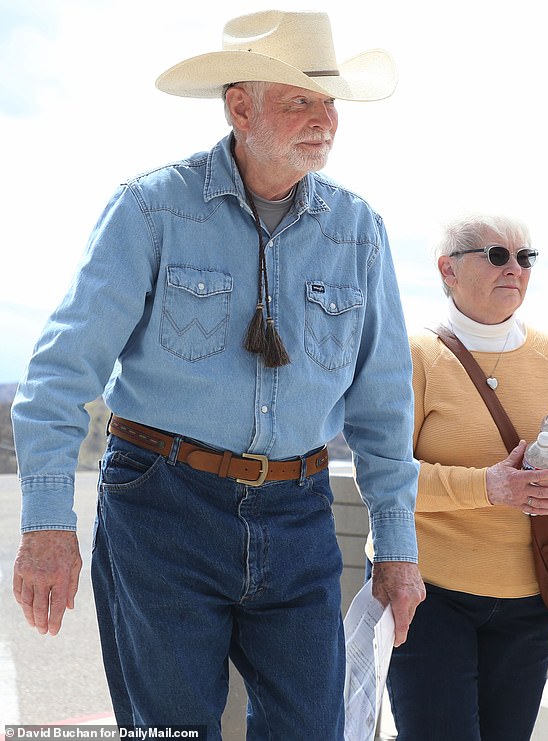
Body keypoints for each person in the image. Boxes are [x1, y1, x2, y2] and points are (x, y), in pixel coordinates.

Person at [11, 10, 425, 739]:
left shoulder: (358, 231)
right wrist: (48, 524)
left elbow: (383, 405)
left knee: (312, 728)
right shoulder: (150, 208)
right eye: (299, 99)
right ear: (241, 105)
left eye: (329, 101)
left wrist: (397, 546)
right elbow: (59, 373)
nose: (323, 119)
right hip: (161, 506)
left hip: (298, 516)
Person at [371, 214, 548, 741]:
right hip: (430, 597)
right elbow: (385, 476)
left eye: (525, 258)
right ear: (448, 269)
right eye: (498, 255)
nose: (516, 269)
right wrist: (487, 486)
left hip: (532, 601)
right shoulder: (414, 356)